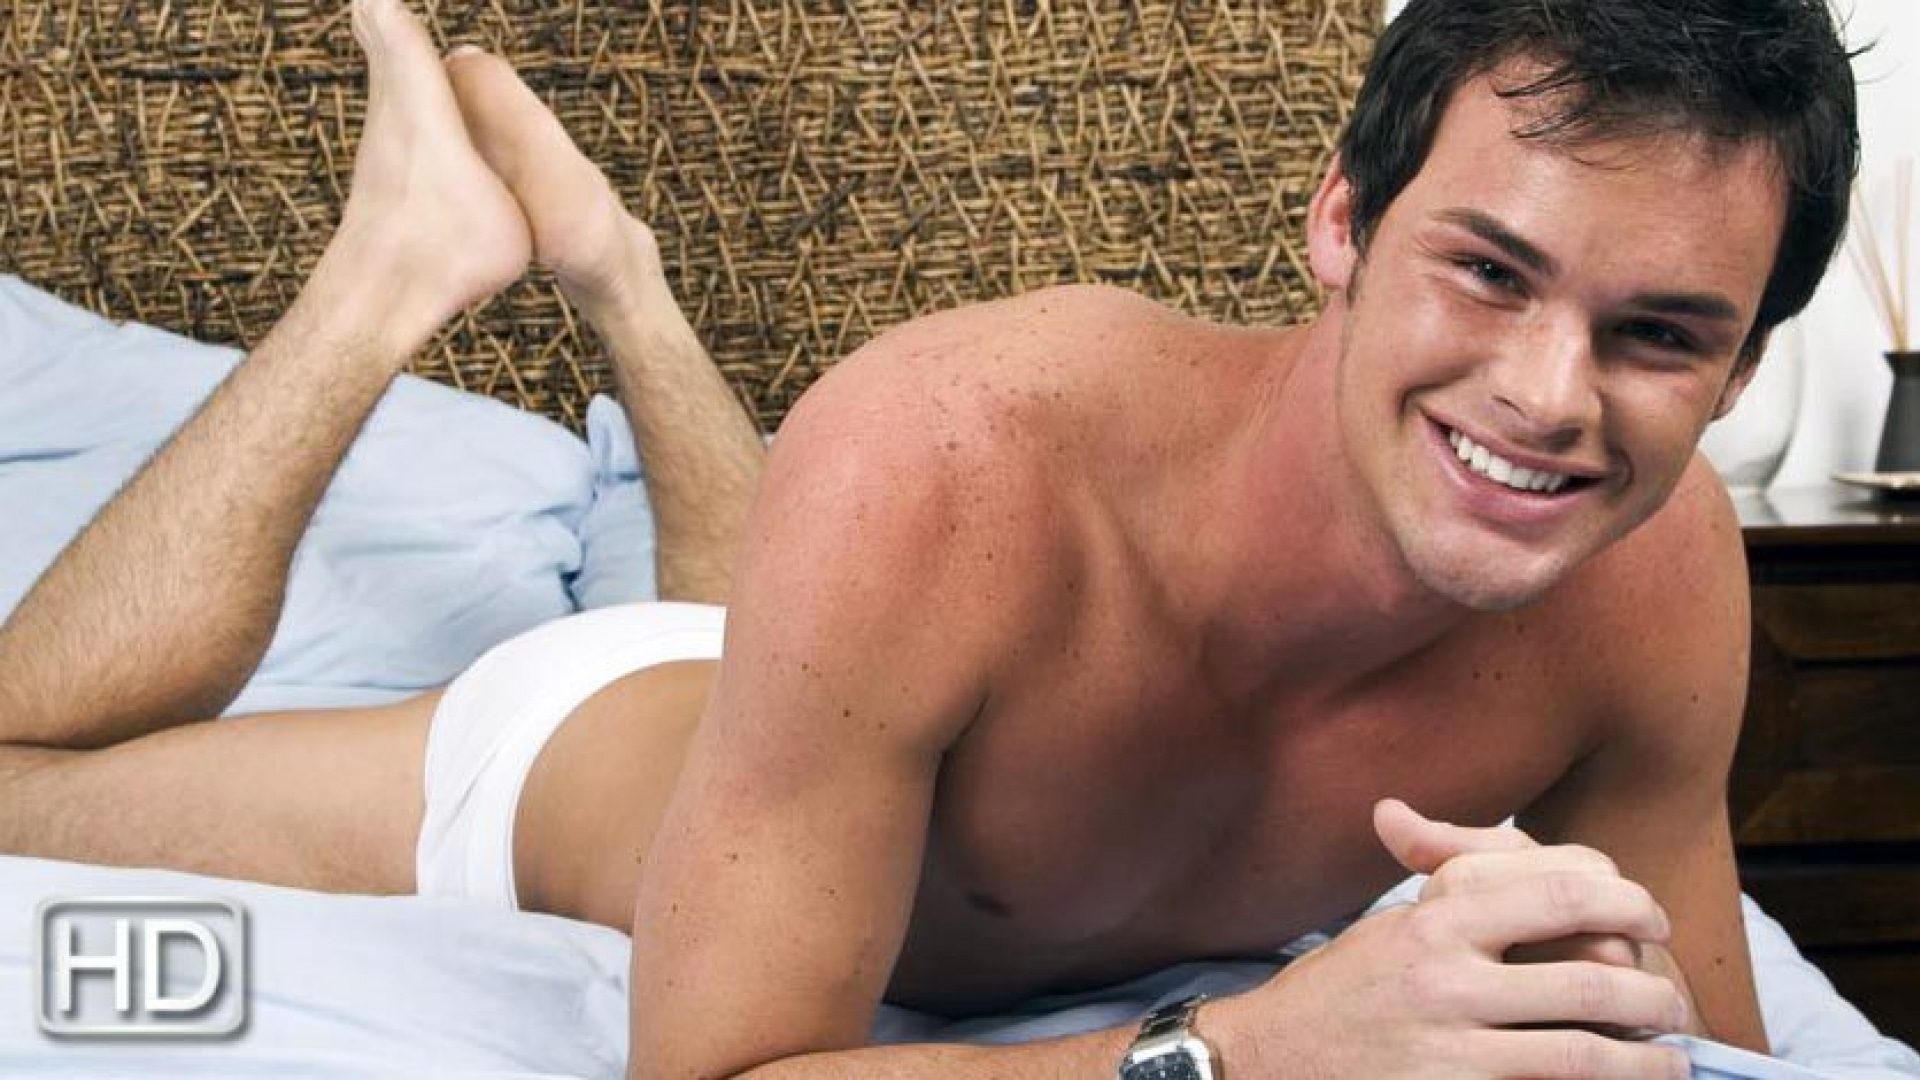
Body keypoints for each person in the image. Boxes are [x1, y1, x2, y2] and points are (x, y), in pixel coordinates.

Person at [0, 0, 1859, 1075]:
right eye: (1490, 271)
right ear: (1342, 224)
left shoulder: (1656, 571)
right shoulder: (950, 453)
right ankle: (395, 265)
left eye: (1658, 333)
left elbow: (1706, 1046)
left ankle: (623, 281)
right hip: (593, 756)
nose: (1549, 397)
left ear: (1740, 364)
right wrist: (1241, 1054)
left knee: (807, 607)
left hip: (839, 677)